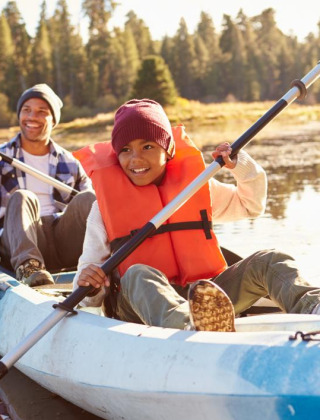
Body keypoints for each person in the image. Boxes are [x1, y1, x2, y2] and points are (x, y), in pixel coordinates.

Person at [73, 98, 320, 331]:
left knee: (270, 260)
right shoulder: (102, 209)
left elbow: (251, 204)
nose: (136, 158)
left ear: (168, 149)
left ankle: (313, 308)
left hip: (207, 299)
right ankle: (187, 328)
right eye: (125, 150)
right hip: (137, 309)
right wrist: (90, 285)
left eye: (147, 146)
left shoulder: (194, 188)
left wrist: (240, 166)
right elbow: (86, 297)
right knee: (136, 273)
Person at [0, 84, 96, 287]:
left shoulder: (69, 162)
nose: (32, 117)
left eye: (42, 111)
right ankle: (29, 268)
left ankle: (107, 267)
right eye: (26, 110)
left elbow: (91, 210)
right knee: (23, 197)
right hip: (16, 241)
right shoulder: (2, 157)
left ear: (54, 121)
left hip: (60, 239)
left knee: (89, 199)